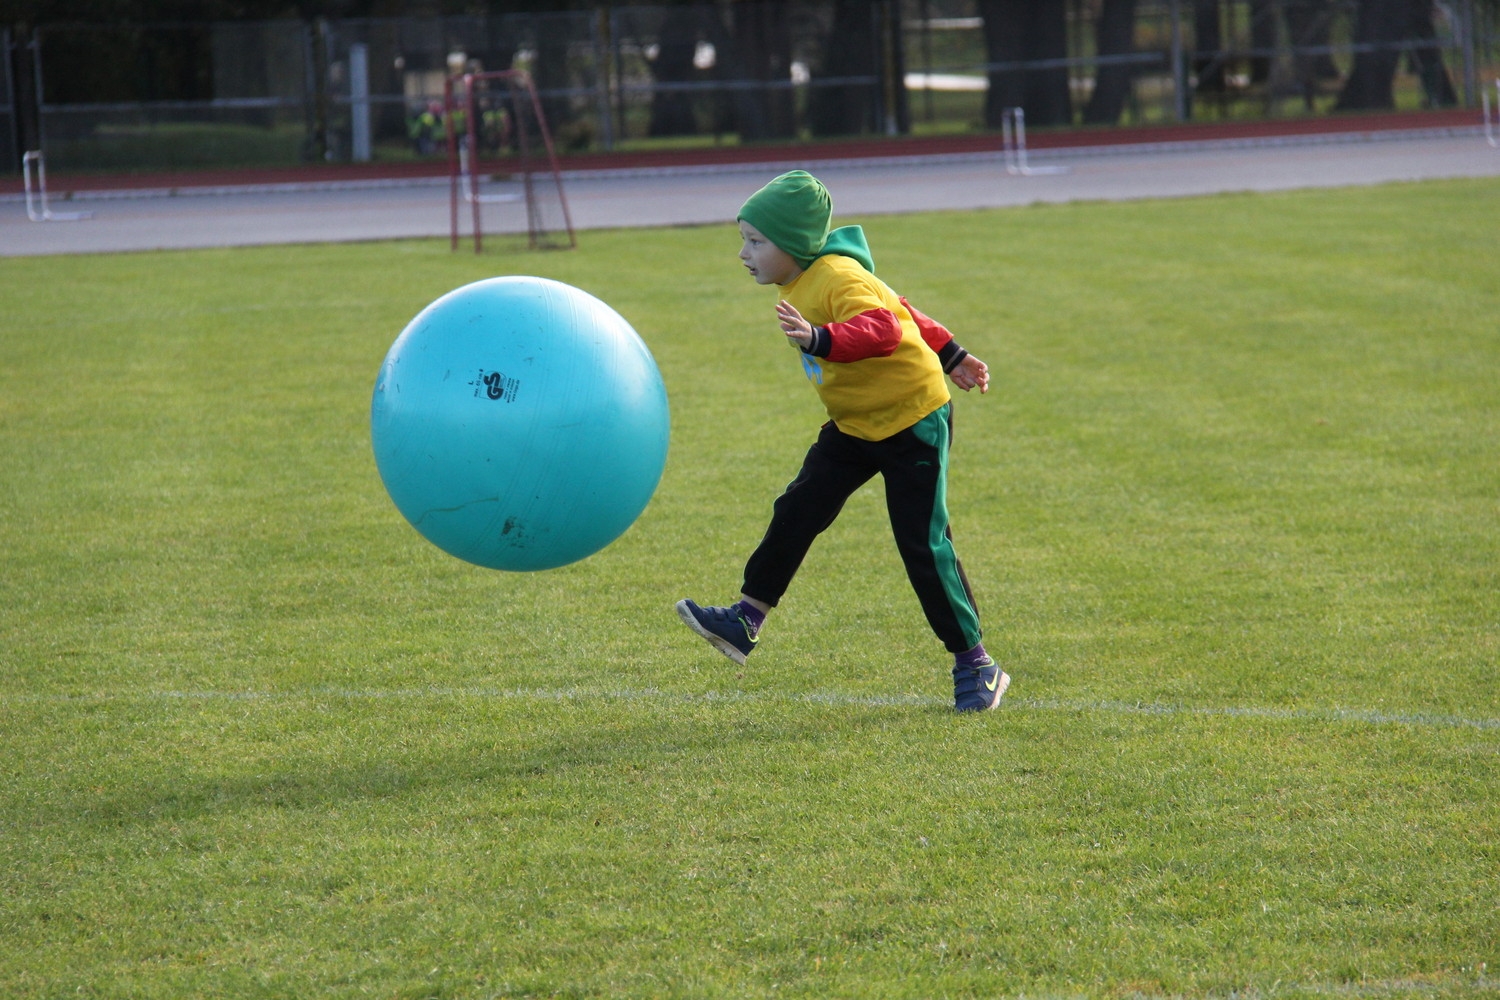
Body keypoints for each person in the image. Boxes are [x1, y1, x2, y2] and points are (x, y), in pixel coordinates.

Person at [675, 170, 1008, 712]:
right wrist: (952, 352)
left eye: (757, 241)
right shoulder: (800, 280)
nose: (744, 252)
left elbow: (884, 325)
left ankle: (978, 665)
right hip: (855, 424)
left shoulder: (834, 275)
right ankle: (745, 620)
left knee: (922, 543)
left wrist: (821, 338)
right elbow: (903, 306)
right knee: (799, 507)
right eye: (744, 239)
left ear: (796, 244)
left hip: (912, 419)